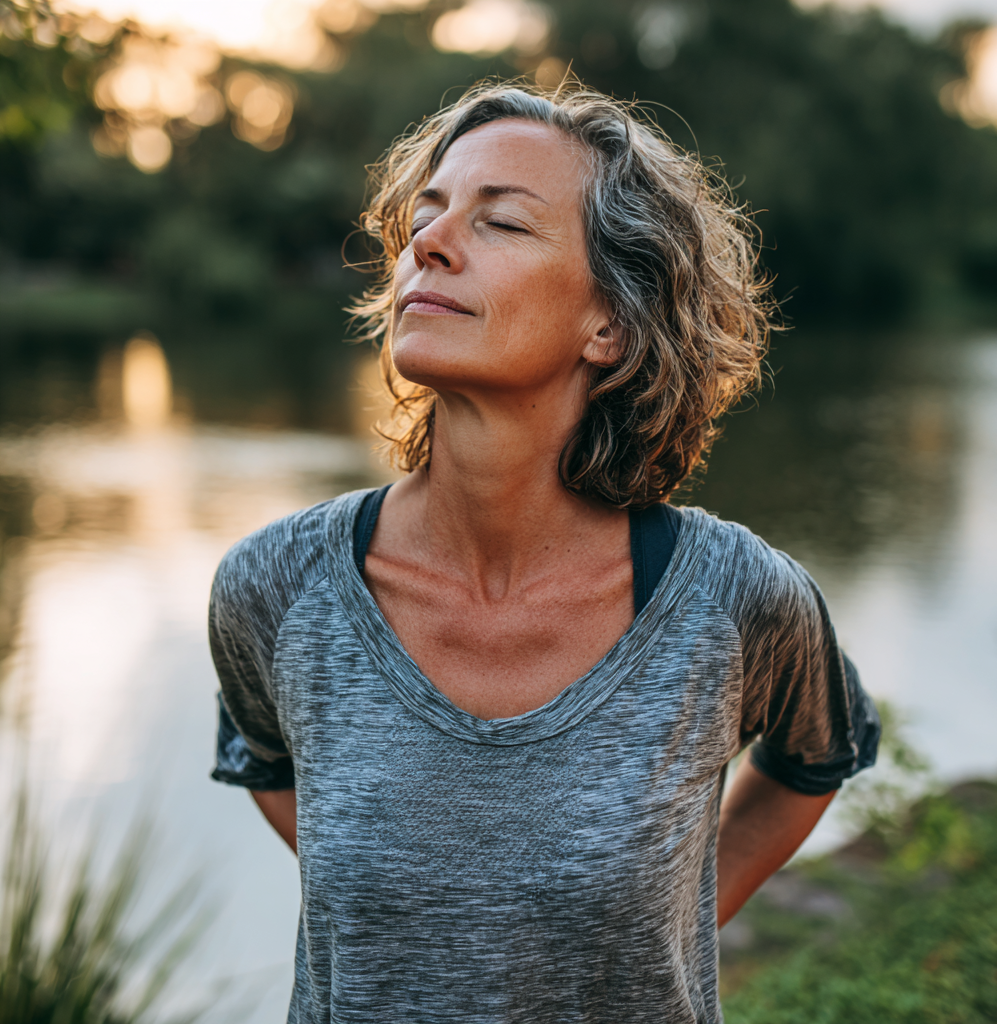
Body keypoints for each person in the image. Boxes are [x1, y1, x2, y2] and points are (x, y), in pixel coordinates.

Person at [209, 81, 879, 1023]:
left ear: (608, 323)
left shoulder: (736, 600)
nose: (427, 245)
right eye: (427, 215)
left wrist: (671, 915)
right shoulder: (275, 588)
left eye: (504, 224)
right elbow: (269, 760)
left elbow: (819, 754)